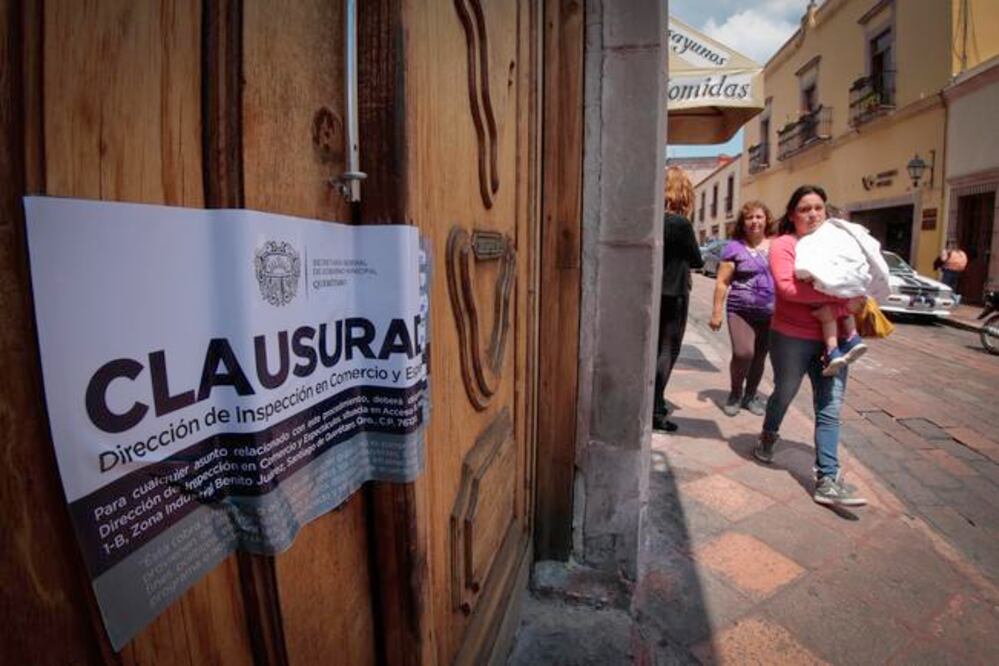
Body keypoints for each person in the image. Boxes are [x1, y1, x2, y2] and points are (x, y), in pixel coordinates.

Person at [753, 185, 867, 507]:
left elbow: (858, 283)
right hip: (792, 336)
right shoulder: (784, 245)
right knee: (785, 392)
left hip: (836, 342)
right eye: (805, 209)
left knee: (830, 407)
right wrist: (838, 299)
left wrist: (847, 303)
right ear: (792, 214)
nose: (813, 214)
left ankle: (827, 479)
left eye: (819, 207)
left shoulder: (837, 244)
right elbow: (788, 289)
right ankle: (769, 434)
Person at [794, 216, 891, 376]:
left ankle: (833, 351)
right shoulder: (849, 237)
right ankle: (853, 338)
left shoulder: (817, 239)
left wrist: (808, 274)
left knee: (828, 317)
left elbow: (808, 263)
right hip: (851, 284)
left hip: (832, 287)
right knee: (846, 309)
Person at [709, 201, 776, 417]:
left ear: (766, 219)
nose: (754, 221)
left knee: (759, 356)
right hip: (740, 309)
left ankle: (751, 396)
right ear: (743, 222)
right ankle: (735, 394)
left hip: (770, 313)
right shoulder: (734, 248)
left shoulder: (776, 245)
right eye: (749, 217)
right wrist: (717, 312)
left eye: (759, 216)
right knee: (743, 352)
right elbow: (722, 282)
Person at [653, 167, 703, 432]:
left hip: (651, 293)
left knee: (651, 351)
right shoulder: (680, 223)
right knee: (667, 351)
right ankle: (656, 409)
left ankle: (650, 403)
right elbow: (697, 259)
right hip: (674, 294)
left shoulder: (652, 218)